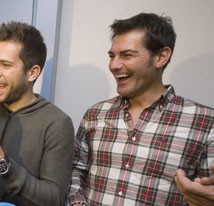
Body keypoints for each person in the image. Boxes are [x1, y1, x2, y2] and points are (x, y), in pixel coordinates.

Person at [67, 13, 214, 205]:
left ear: (161, 57)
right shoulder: (95, 114)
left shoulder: (204, 121)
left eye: (127, 55)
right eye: (112, 56)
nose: (114, 65)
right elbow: (77, 171)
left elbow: (206, 192)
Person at [0, 21, 75, 205]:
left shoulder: (57, 124)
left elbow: (54, 199)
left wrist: (0, 163)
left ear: (32, 73)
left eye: (5, 65)